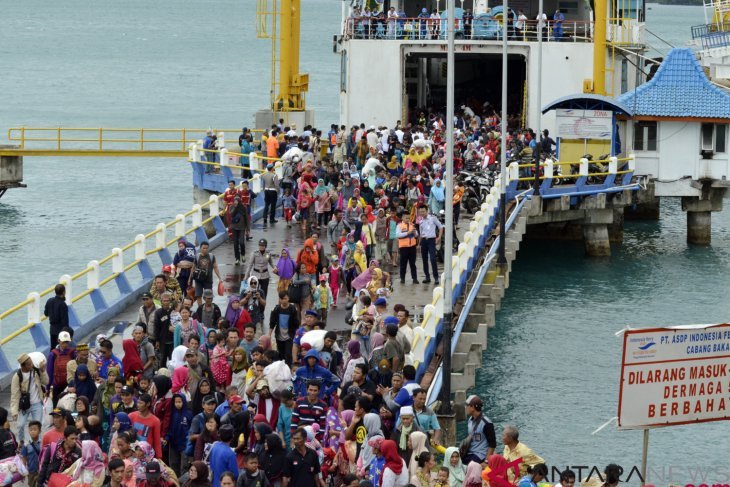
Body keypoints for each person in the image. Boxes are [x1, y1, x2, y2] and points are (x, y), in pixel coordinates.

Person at [11, 353, 49, 446]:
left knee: (38, 425)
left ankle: (37, 443)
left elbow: (46, 381)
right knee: (20, 425)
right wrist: (14, 411)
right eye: (29, 364)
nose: (31, 365)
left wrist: (43, 371)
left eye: (31, 363)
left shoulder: (36, 371)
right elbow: (15, 395)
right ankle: (21, 441)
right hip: (25, 405)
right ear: (22, 366)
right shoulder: (17, 377)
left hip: (37, 404)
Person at [463, 395, 496, 464]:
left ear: (472, 407)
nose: (465, 408)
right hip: (470, 452)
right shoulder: (470, 420)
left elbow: (492, 444)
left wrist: (486, 461)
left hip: (480, 455)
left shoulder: (486, 423)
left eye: (467, 405)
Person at [268, 291, 299, 366]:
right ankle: (281, 368)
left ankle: (288, 368)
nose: (283, 300)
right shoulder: (276, 309)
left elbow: (296, 323)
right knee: (281, 354)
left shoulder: (292, 309)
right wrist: (269, 335)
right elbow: (272, 323)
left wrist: (297, 334)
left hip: (289, 335)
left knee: (288, 354)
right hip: (279, 336)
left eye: (285, 298)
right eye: (282, 299)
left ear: (288, 298)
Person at [129, 394, 162, 459]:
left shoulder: (155, 421)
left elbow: (157, 441)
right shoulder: (131, 416)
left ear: (148, 404)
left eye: (140, 403)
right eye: (138, 402)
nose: (138, 405)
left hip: (146, 455)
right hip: (132, 453)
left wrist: (159, 457)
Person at [48, 331, 76, 405]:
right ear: (58, 341)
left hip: (59, 385)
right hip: (67, 384)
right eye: (64, 342)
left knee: (57, 406)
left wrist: (47, 388)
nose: (65, 344)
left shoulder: (53, 354)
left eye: (66, 342)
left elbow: (49, 372)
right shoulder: (73, 353)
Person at [418, 206, 443, 285]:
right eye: (420, 212)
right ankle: (427, 277)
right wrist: (419, 244)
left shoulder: (433, 218)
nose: (422, 213)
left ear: (427, 211)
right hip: (424, 241)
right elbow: (421, 234)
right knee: (424, 259)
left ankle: (436, 277)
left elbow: (441, 227)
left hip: (431, 240)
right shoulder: (421, 221)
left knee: (432, 259)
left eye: (423, 211)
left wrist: (439, 237)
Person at [45, 284, 69, 349]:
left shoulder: (49, 300)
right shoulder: (63, 304)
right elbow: (65, 322)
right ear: (64, 292)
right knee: (61, 349)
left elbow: (46, 313)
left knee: (53, 348)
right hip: (61, 330)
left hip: (52, 329)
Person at [397, 213, 419, 284]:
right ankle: (402, 278)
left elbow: (416, 235)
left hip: (412, 247)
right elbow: (398, 235)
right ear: (402, 218)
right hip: (403, 247)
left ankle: (415, 278)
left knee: (413, 264)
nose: (407, 219)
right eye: (406, 218)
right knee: (403, 264)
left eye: (408, 218)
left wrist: (415, 232)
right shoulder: (399, 226)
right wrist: (407, 233)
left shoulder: (412, 225)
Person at [21, 420, 42, 487]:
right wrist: (24, 471)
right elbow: (24, 459)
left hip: (41, 470)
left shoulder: (42, 443)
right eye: (31, 430)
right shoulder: (26, 445)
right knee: (31, 485)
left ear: (39, 431)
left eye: (35, 429)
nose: (32, 431)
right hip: (31, 471)